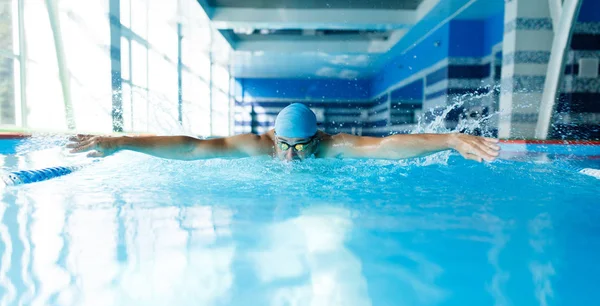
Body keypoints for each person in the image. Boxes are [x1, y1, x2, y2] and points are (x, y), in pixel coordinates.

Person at [68, 103, 500, 162]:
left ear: (319, 138)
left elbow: (386, 146)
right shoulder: (257, 147)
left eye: (303, 146)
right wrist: (120, 140)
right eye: (284, 146)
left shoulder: (334, 147)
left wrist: (450, 138)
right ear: (272, 138)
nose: (291, 158)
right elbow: (195, 148)